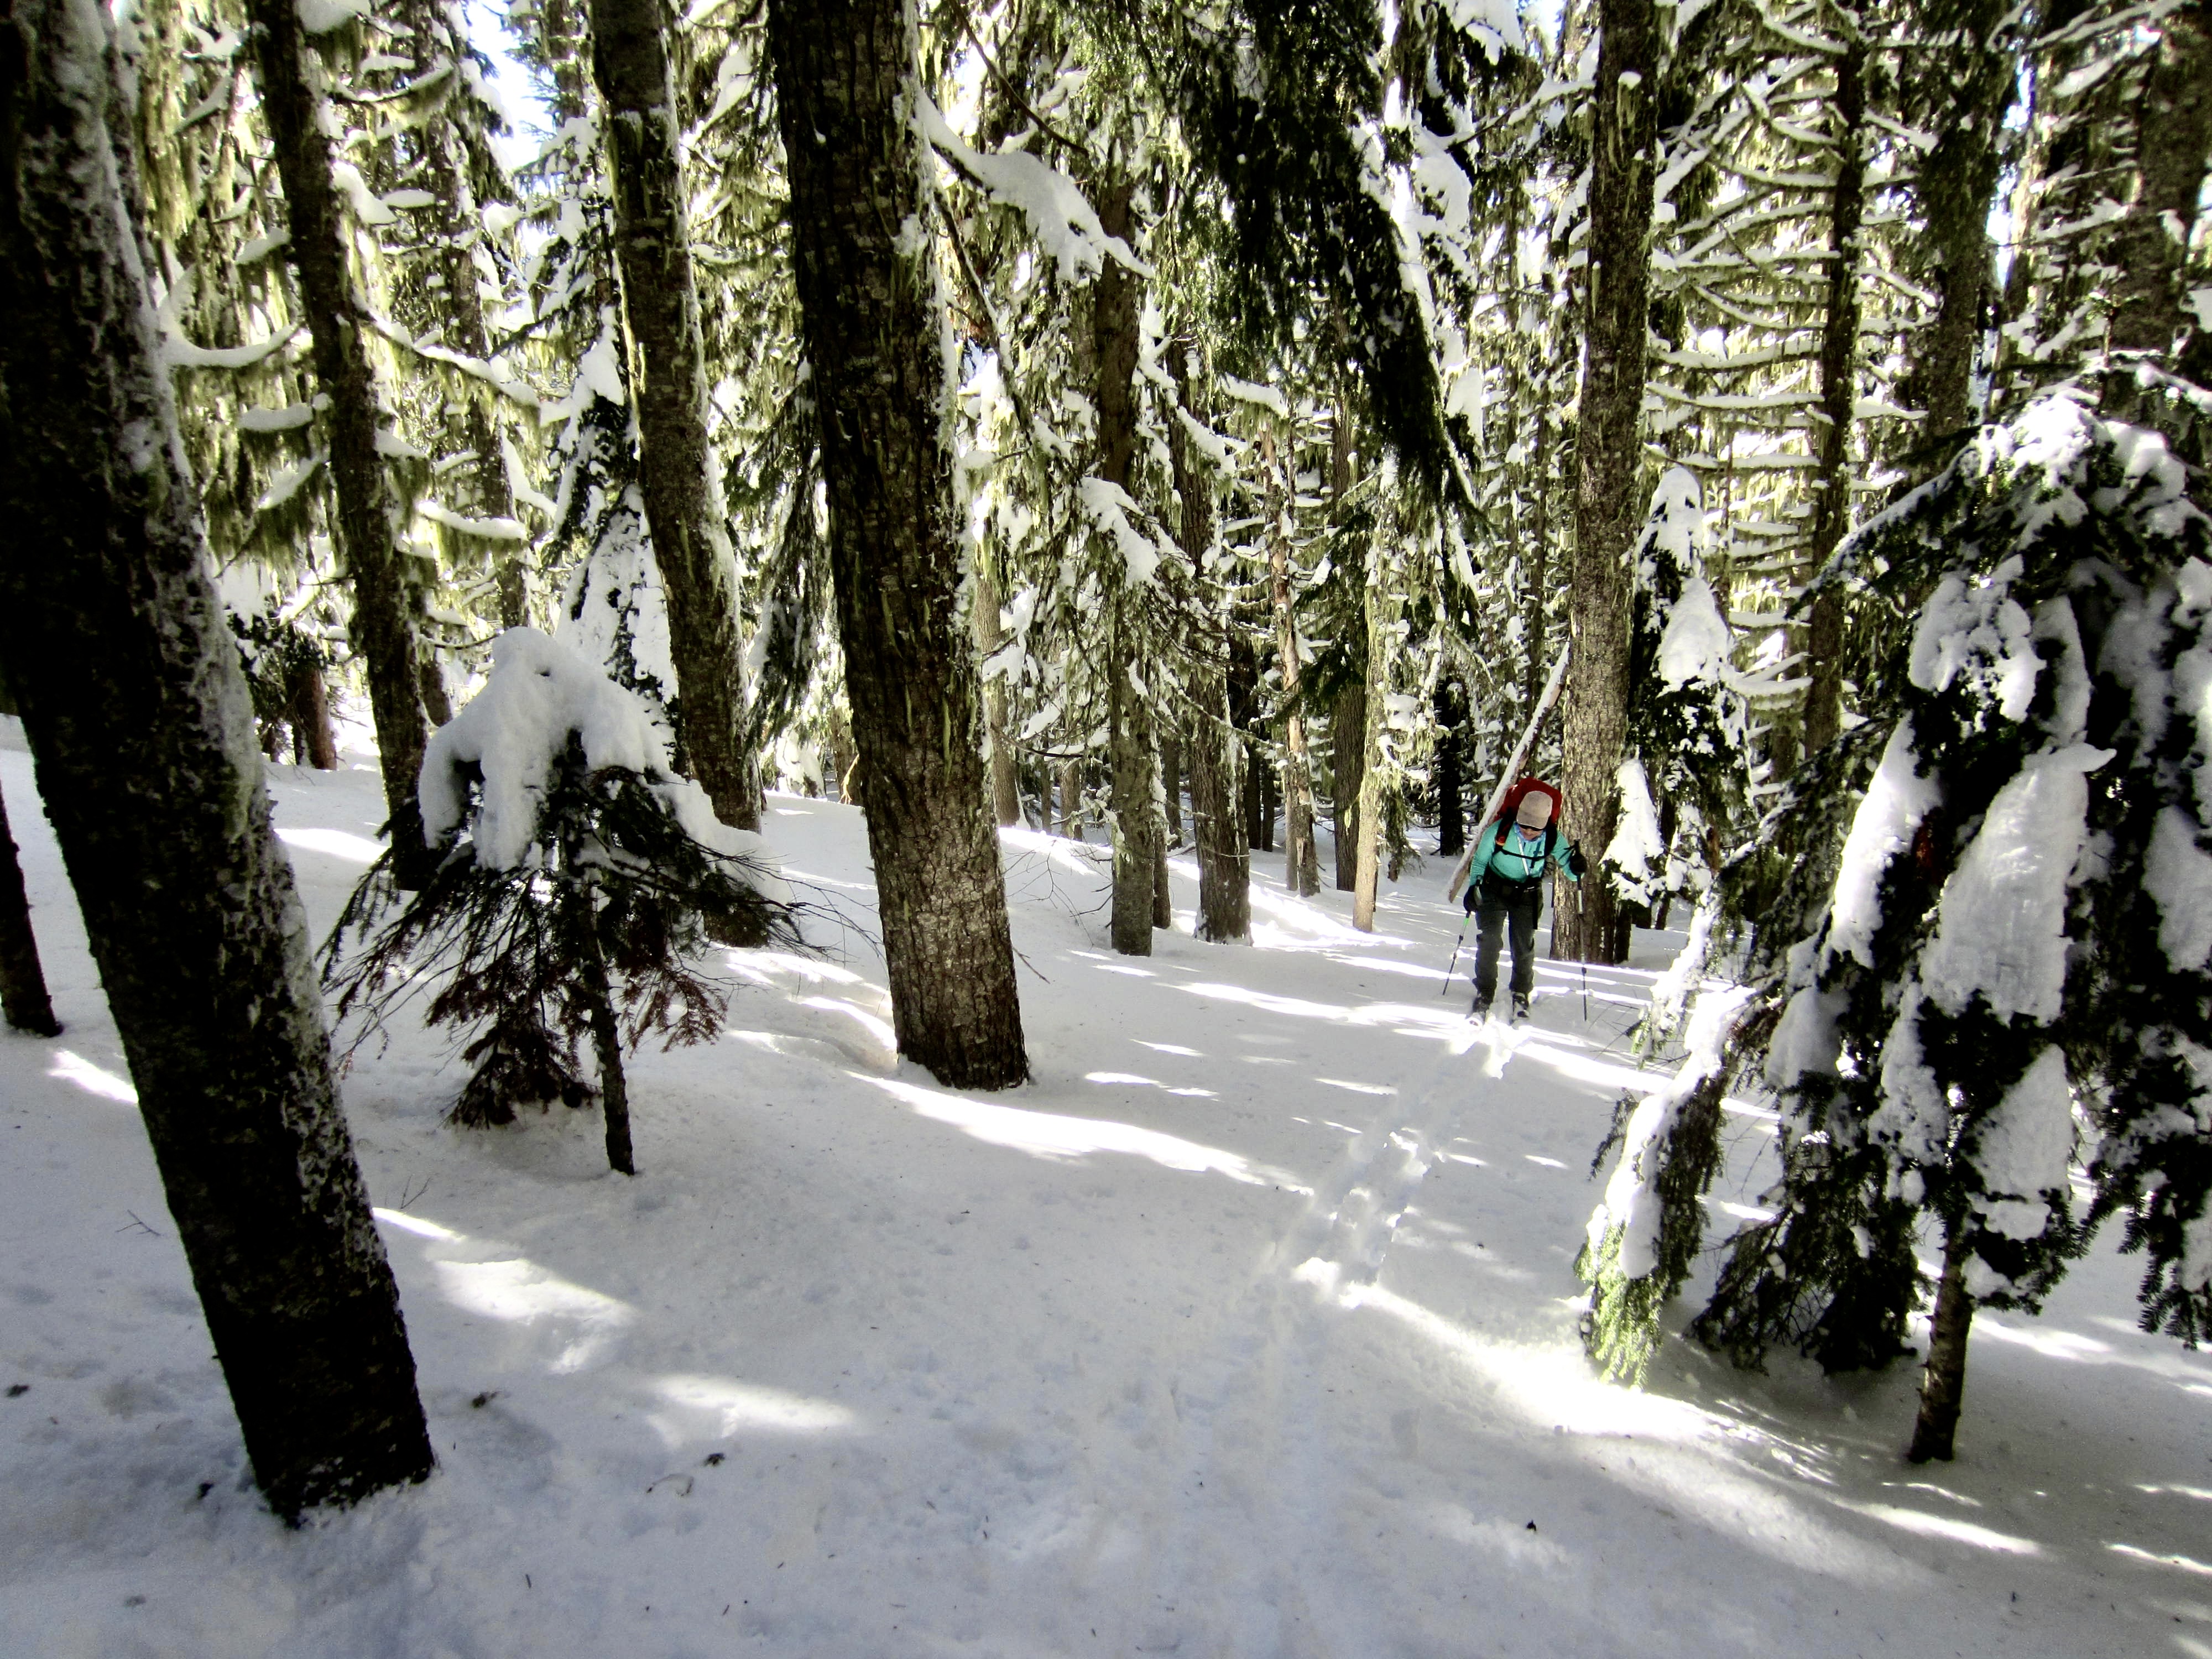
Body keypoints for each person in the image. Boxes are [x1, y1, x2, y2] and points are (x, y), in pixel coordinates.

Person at [1457, 777, 1586, 1021]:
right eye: (1524, 825)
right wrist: (1474, 887)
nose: (1528, 831)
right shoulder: (1500, 831)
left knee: (1523, 946)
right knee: (1489, 941)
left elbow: (1572, 872)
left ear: (1545, 825)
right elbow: (1481, 862)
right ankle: (1485, 991)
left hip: (1528, 895)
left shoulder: (1553, 837)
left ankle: (1521, 991)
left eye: (1535, 828)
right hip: (1494, 890)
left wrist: (1578, 866)